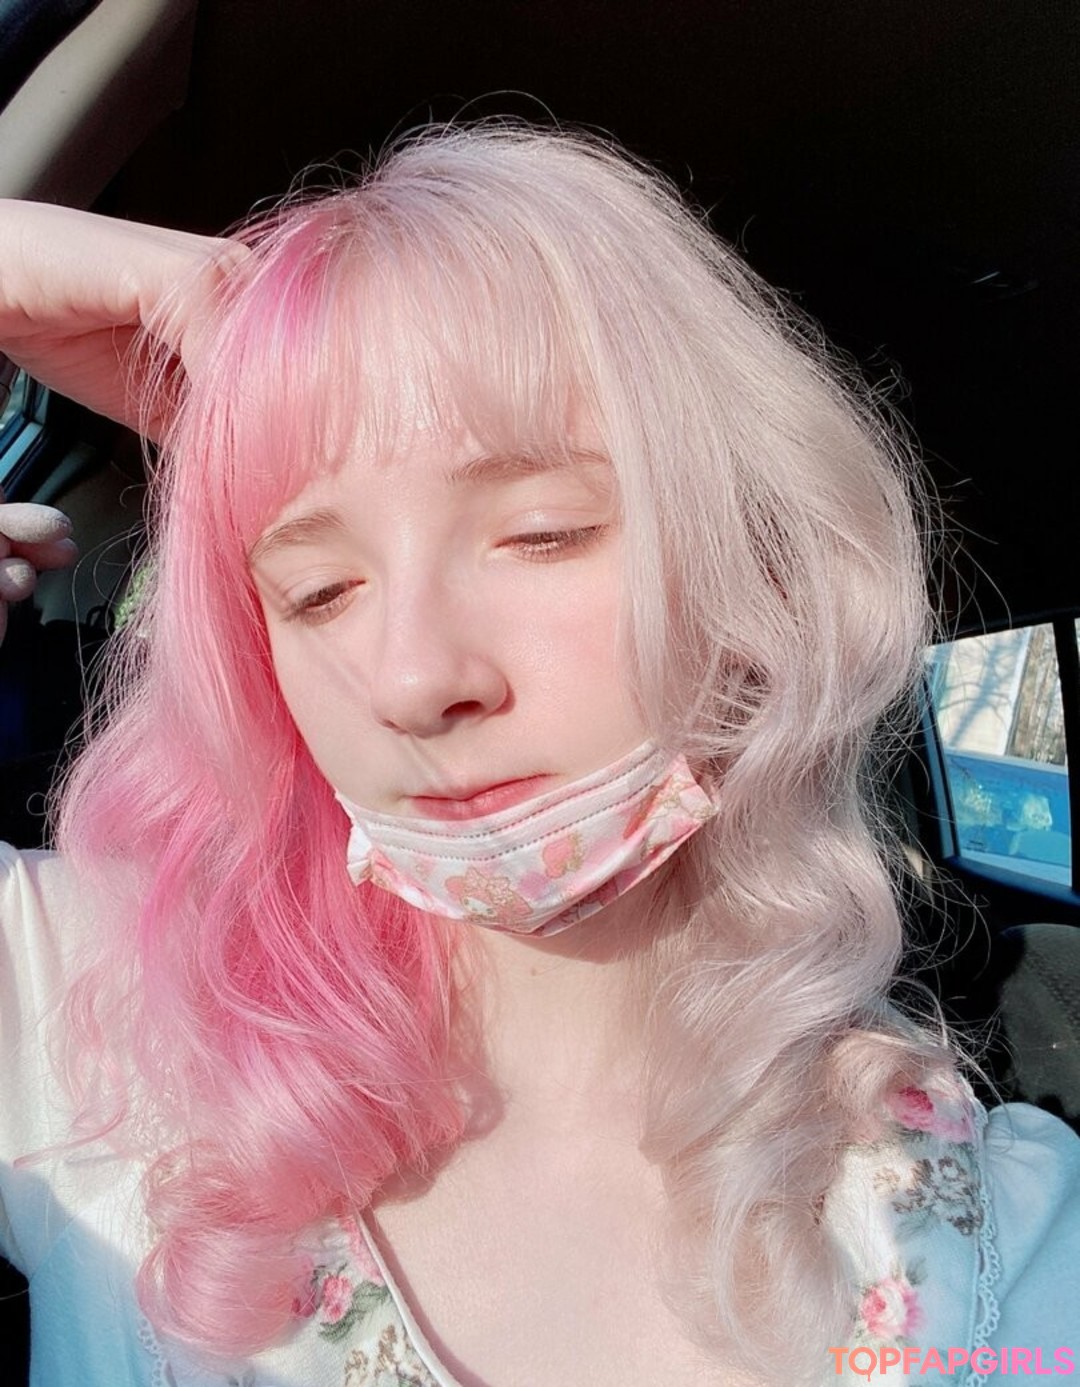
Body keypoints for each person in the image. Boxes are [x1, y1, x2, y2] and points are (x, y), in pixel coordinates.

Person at [0, 123, 1076, 1387]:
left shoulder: (1003, 1239)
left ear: (758, 575)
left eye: (544, 534)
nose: (412, 679)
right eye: (319, 590)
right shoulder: (94, 1015)